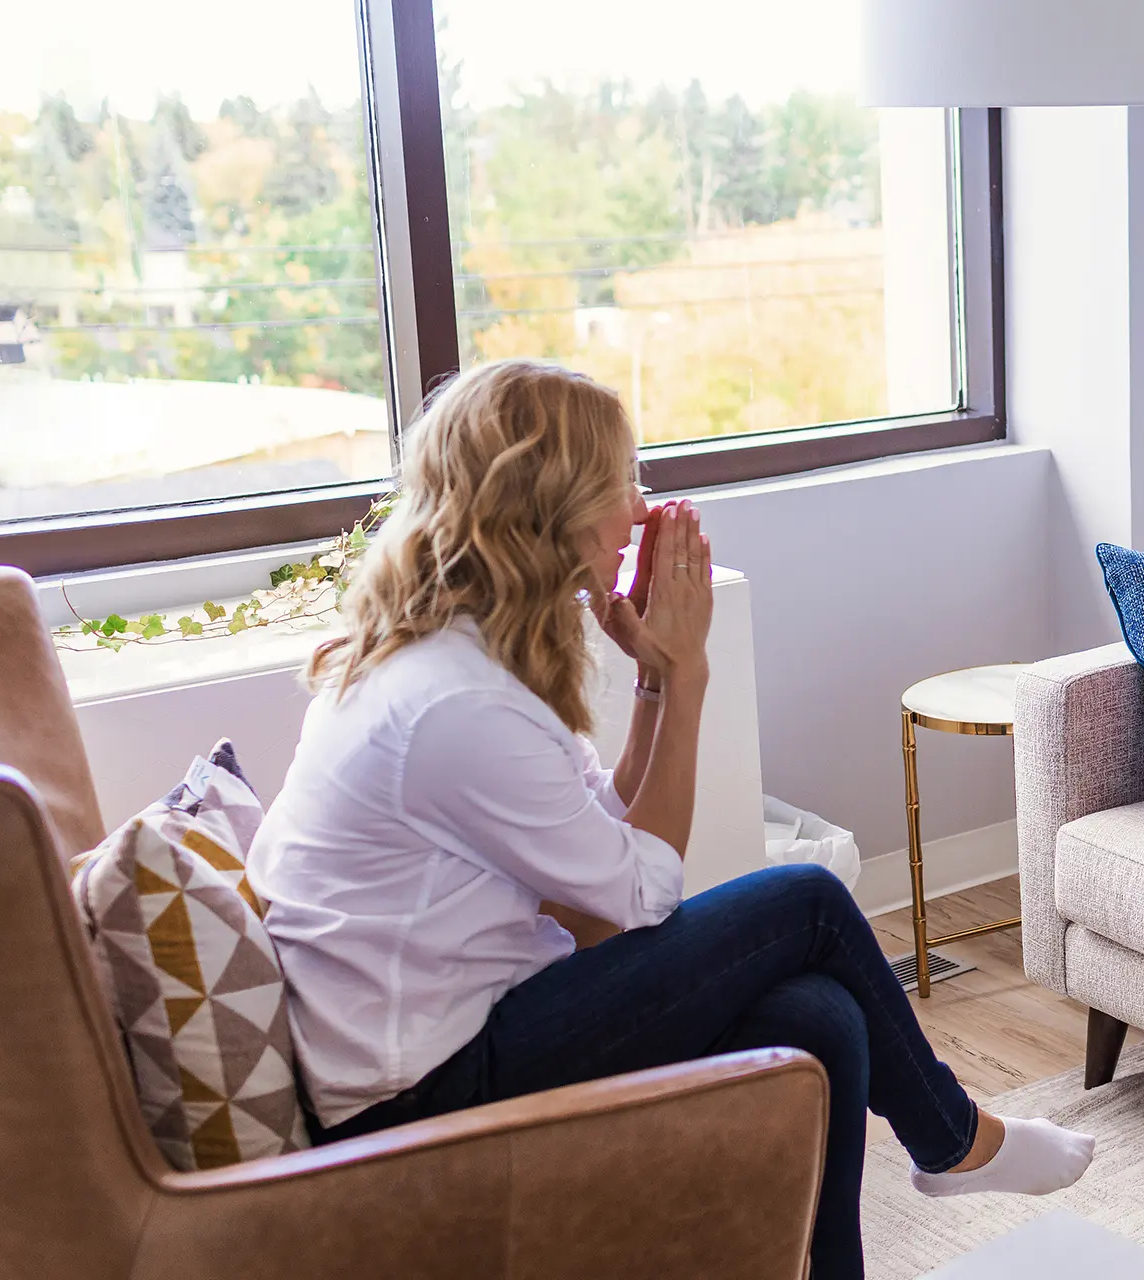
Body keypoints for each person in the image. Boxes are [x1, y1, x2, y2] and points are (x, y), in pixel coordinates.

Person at [247, 359, 1094, 1280]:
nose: (643, 512)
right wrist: (687, 678)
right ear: (552, 508)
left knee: (818, 1015)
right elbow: (639, 901)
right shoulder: (453, 704)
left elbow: (599, 857)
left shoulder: (462, 663)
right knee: (808, 900)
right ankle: (955, 1139)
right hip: (417, 1098)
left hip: (461, 1035)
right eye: (623, 482)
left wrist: (651, 678)